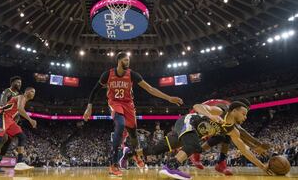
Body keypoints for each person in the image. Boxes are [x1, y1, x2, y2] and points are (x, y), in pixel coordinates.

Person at [83, 52, 183, 177]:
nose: (128, 62)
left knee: (133, 134)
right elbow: (94, 90)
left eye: (128, 60)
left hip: (129, 105)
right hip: (115, 103)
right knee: (120, 125)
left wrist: (169, 98)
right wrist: (89, 107)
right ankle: (113, 164)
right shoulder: (108, 74)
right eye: (125, 60)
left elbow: (150, 89)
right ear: (119, 61)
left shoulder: (132, 74)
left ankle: (136, 155)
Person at [137, 99, 274, 179]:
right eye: (243, 114)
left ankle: (131, 153)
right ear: (234, 111)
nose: (245, 117)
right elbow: (197, 107)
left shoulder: (232, 131)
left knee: (155, 150)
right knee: (195, 146)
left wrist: (262, 166)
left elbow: (244, 150)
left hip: (191, 133)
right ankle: (170, 167)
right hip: (187, 121)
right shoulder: (221, 111)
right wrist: (211, 115)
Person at [0, 76, 22, 172]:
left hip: (11, 121)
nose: (20, 84)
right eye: (18, 82)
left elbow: (18, 110)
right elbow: (2, 105)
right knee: (1, 139)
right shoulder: (7, 91)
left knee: (7, 143)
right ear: (12, 83)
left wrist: (17, 119)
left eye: (20, 83)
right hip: (3, 118)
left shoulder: (18, 95)